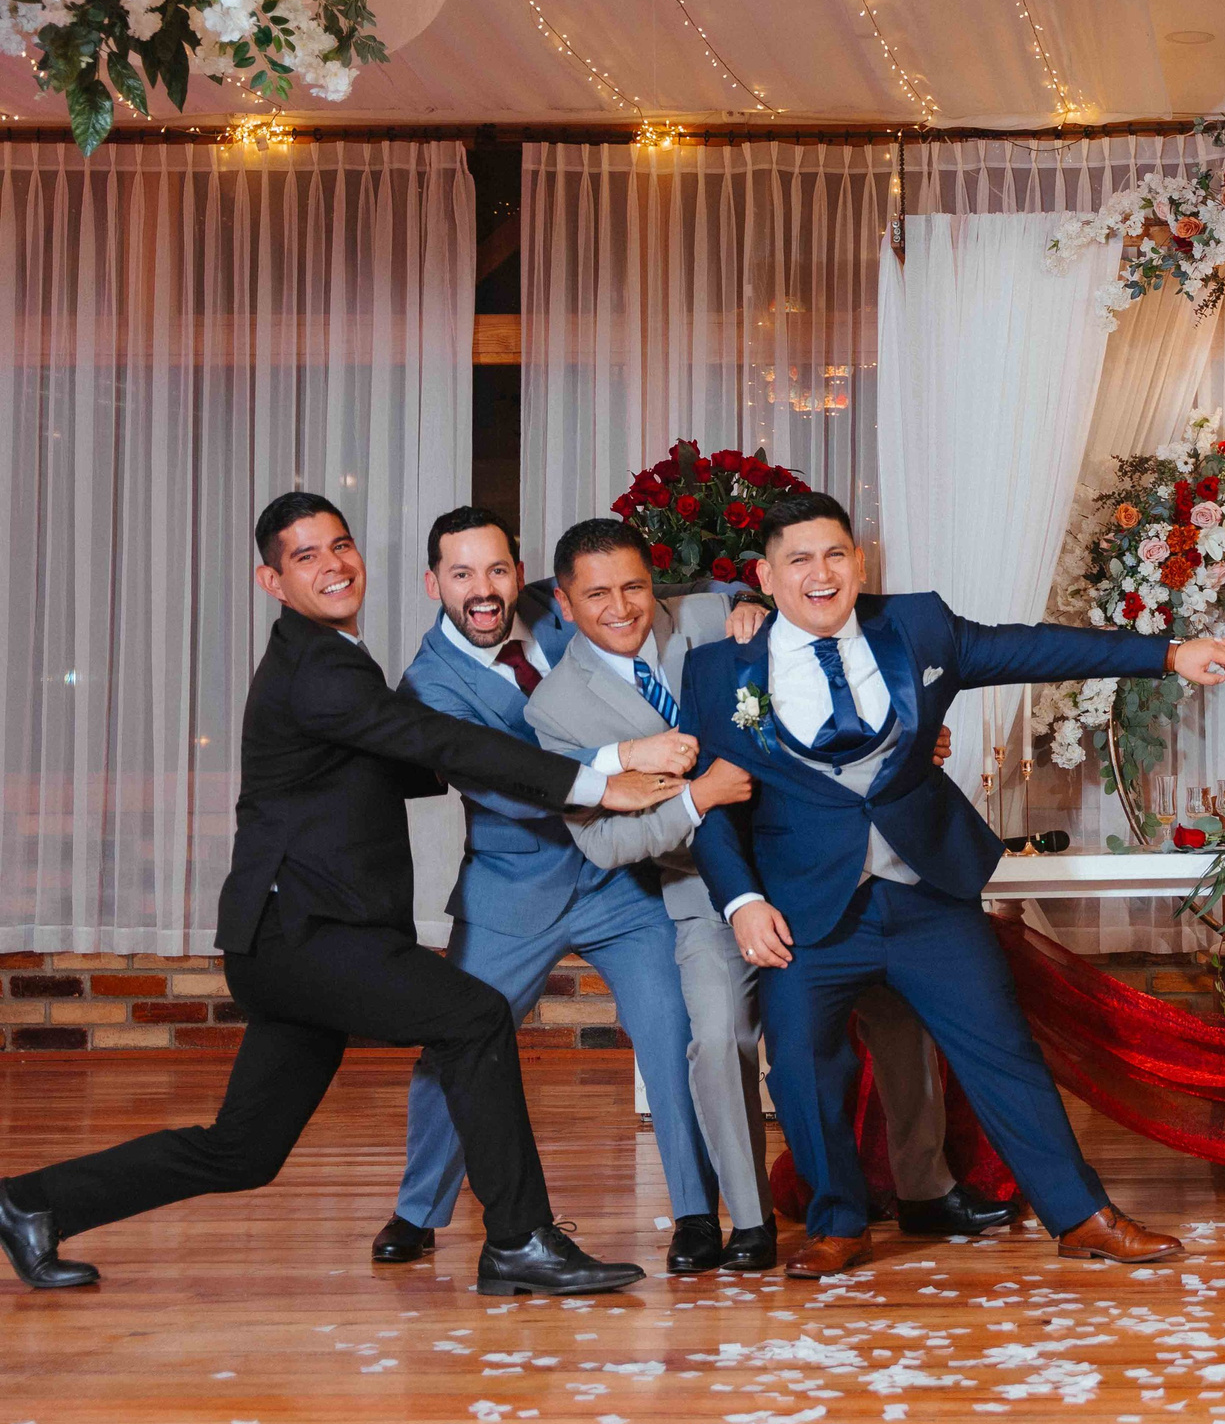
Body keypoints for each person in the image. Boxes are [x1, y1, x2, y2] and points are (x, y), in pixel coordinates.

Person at [0, 493, 679, 1296]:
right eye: (305, 556)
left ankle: (31, 1205)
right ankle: (519, 1240)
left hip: (289, 939)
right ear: (272, 580)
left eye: (341, 546)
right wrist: (595, 783)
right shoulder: (318, 666)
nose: (332, 565)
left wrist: (518, 761)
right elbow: (430, 739)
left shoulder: (330, 661)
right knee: (474, 1017)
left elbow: (409, 757)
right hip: (305, 935)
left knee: (243, 1150)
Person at [682, 492, 1225, 1278]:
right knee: (805, 1068)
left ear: (859, 561)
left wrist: (1168, 654)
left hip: (927, 896)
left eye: (835, 554)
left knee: (1003, 1052)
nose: (821, 573)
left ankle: (1082, 1216)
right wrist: (741, 900)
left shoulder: (917, 627)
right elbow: (711, 805)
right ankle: (838, 1224)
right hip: (805, 911)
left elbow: (1033, 648)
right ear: (766, 578)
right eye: (799, 559)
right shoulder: (716, 672)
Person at [526, 518, 1012, 1275]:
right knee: (719, 1039)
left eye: (633, 587)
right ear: (564, 603)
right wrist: (701, 798)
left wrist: (902, 738)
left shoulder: (712, 617)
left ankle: (925, 1187)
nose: (621, 608)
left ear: (656, 585)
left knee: (901, 1012)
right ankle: (749, 1221)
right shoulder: (554, 710)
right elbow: (605, 842)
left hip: (816, 859)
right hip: (701, 890)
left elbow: (824, 646)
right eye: (596, 595)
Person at [367, 507, 726, 1276]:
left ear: (519, 569)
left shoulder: (557, 604)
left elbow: (664, 595)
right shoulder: (427, 686)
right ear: (434, 584)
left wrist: (748, 598)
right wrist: (622, 757)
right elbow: (506, 782)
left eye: (497, 569)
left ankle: (695, 1213)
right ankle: (417, 1209)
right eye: (461, 575)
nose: (484, 590)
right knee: (455, 1044)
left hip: (618, 878)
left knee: (671, 1028)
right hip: (512, 886)